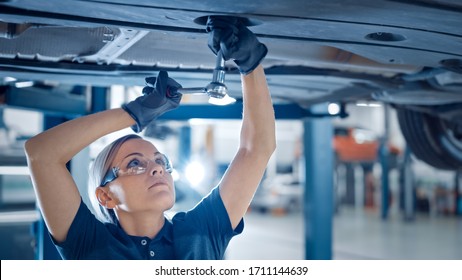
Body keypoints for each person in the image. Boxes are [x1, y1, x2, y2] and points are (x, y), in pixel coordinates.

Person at [24, 17, 275, 260]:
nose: (157, 169)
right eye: (135, 163)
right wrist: (134, 113)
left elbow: (256, 149)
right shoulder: (89, 244)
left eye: (160, 161)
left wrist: (250, 62)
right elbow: (41, 153)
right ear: (106, 196)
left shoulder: (200, 231)